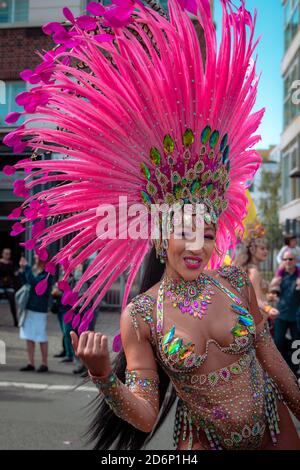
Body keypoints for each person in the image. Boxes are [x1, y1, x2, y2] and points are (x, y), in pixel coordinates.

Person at [3, 0, 300, 451]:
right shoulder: (141, 316)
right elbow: (144, 416)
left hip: (281, 436)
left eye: (206, 231)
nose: (198, 245)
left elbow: (272, 359)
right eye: (185, 231)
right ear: (161, 234)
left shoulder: (236, 284)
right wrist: (105, 376)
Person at [234, 221, 279, 321]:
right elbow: (255, 300)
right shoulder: (253, 271)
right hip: (257, 321)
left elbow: (251, 295)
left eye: (267, 249)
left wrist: (267, 297)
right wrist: (269, 309)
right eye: (262, 248)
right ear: (252, 250)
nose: (266, 251)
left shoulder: (249, 269)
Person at [19, 254, 52, 372]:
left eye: (38, 256)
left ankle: (44, 363)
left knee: (41, 335)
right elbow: (27, 283)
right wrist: (23, 271)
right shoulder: (33, 269)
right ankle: (31, 362)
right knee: (28, 336)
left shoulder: (47, 273)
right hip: (29, 307)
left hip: (39, 309)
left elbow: (35, 283)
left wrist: (27, 268)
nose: (36, 258)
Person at [270, 251, 300, 376]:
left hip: (296, 316)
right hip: (281, 315)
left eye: (291, 259)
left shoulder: (298, 275)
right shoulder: (280, 275)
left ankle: (295, 370)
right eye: (286, 259)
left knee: (296, 343)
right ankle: (280, 370)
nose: (288, 261)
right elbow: (272, 289)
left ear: (296, 261)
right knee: (278, 343)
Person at [0, 248, 18, 326]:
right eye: (6, 253)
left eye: (9, 254)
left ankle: (15, 321)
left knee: (12, 301)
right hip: (0, 285)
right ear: (2, 254)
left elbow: (13, 275)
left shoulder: (11, 264)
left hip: (9, 286)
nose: (7, 255)